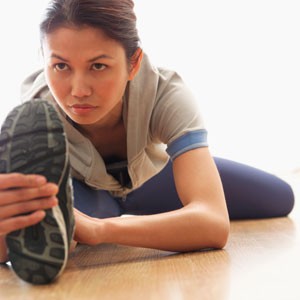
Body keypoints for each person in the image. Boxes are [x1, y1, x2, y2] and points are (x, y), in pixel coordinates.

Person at [0, 0, 294, 285]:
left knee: (279, 197)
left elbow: (214, 223)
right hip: (82, 189)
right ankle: (77, 222)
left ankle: (93, 220)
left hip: (152, 178)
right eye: (61, 66)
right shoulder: (36, 115)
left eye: (98, 66)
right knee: (60, 228)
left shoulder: (166, 93)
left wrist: (101, 230)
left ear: (134, 63)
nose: (78, 90)